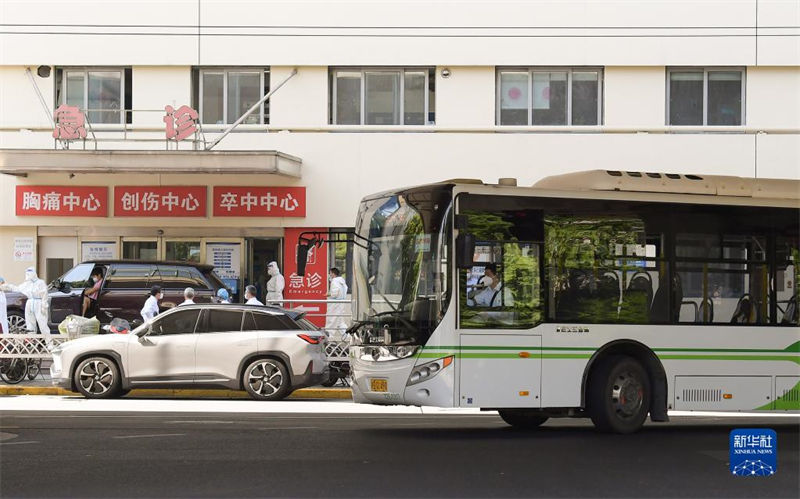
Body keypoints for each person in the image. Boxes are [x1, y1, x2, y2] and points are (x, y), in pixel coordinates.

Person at [4, 268, 51, 346]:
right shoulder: (27, 284)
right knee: (30, 324)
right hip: (30, 303)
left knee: (42, 324)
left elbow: (44, 294)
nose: (27, 275)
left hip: (38, 303)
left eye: (29, 274)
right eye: (27, 274)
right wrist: (6, 286)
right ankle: (32, 343)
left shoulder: (40, 283)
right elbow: (17, 288)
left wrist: (44, 305)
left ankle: (49, 343)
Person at [325, 268, 349, 337]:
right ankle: (348, 337)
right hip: (341, 304)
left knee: (331, 321)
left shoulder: (335, 281)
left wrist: (329, 294)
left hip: (334, 305)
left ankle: (329, 339)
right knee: (340, 322)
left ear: (333, 273)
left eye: (330, 273)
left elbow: (335, 293)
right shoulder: (342, 281)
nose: (329, 275)